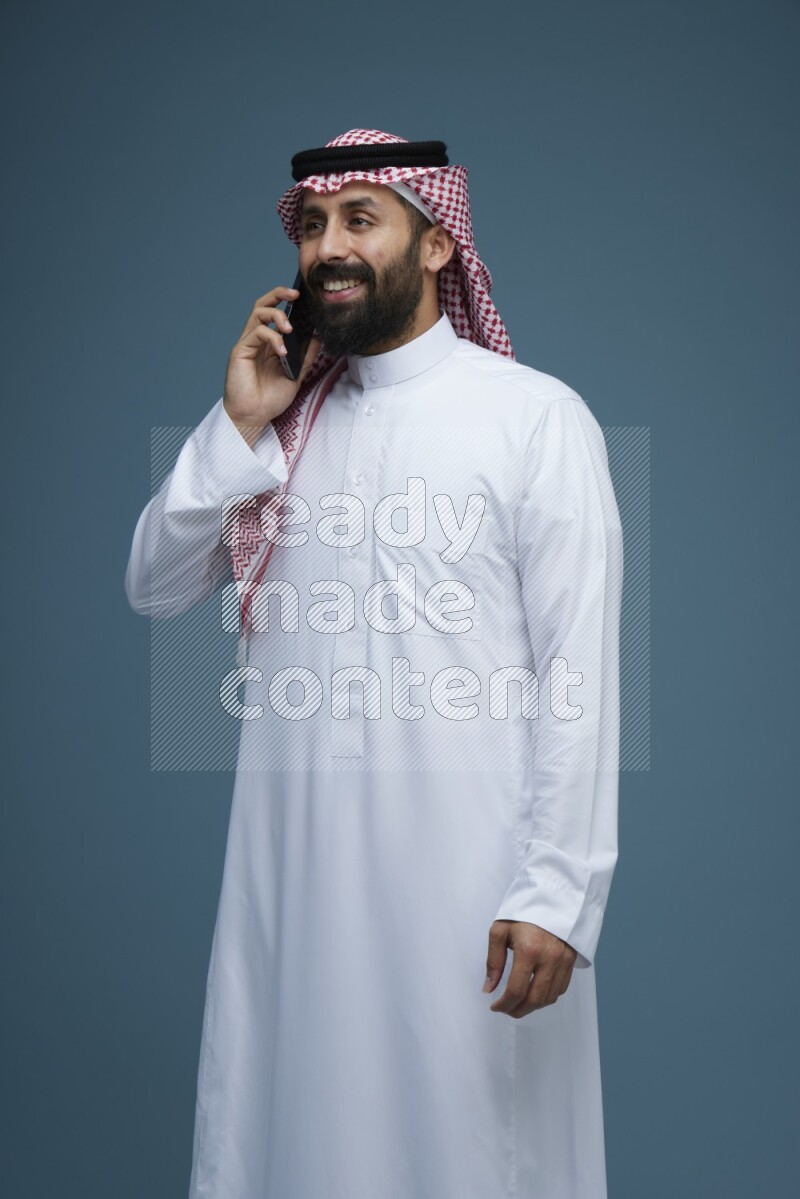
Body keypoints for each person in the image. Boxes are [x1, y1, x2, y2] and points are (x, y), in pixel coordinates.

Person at [125, 128, 623, 1199]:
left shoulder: (534, 417)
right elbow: (154, 582)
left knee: (472, 1145)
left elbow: (575, 671)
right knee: (289, 1133)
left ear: (438, 243)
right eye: (311, 226)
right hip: (293, 879)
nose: (328, 249)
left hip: (472, 885)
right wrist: (235, 421)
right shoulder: (279, 425)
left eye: (360, 220)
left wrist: (557, 892)